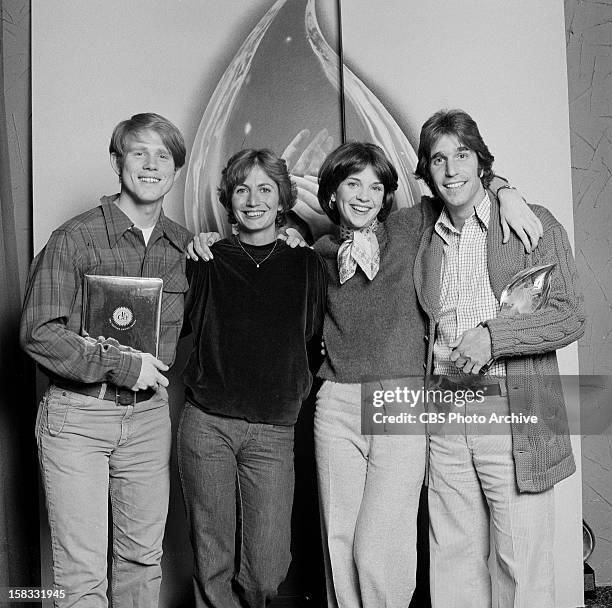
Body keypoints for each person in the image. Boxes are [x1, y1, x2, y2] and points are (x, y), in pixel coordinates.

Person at [190, 141, 542, 608]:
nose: (364, 196)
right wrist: (238, 240)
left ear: (386, 196)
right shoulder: (315, 252)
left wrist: (506, 189)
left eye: (376, 187)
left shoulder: (411, 227)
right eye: (352, 184)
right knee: (338, 541)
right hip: (334, 400)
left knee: (379, 546)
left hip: (399, 398)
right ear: (331, 195)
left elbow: (458, 187)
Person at [412, 108, 585, 607]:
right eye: (438, 159)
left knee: (521, 567)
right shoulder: (425, 234)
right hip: (444, 415)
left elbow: (570, 315)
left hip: (515, 414)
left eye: (462, 155)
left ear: (481, 161)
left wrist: (493, 336)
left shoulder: (533, 224)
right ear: (426, 171)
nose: (451, 170)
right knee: (453, 562)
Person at [20, 113, 192, 607]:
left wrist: (289, 236)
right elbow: (39, 333)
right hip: (78, 417)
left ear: (176, 170)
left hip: (147, 418)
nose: (151, 164)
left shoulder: (184, 247)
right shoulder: (74, 238)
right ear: (117, 161)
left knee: (142, 560)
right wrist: (123, 365)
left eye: (163, 155)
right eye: (139, 152)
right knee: (81, 574)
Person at [177, 149, 327, 608]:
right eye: (242, 189)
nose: (254, 199)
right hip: (207, 425)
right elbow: (172, 324)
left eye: (265, 188)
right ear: (229, 199)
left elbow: (312, 338)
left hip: (272, 431)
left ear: (283, 198)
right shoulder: (206, 259)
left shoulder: (306, 265)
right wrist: (189, 247)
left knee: (266, 569)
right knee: (212, 561)